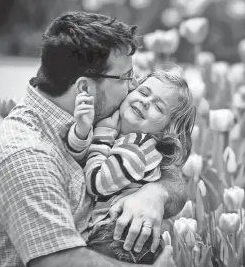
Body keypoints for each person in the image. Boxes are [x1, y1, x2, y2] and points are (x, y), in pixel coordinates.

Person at [0, 11, 187, 267]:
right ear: (85, 88)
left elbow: (171, 172)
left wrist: (155, 193)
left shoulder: (94, 113)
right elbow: (59, 262)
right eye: (126, 78)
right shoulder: (26, 155)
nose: (133, 88)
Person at [66, 70, 196, 264]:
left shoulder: (139, 150)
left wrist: (102, 133)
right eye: (144, 93)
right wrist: (82, 131)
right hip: (117, 235)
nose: (145, 102)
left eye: (158, 107)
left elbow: (96, 182)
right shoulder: (122, 139)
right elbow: (80, 158)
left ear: (166, 130)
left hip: (121, 237)